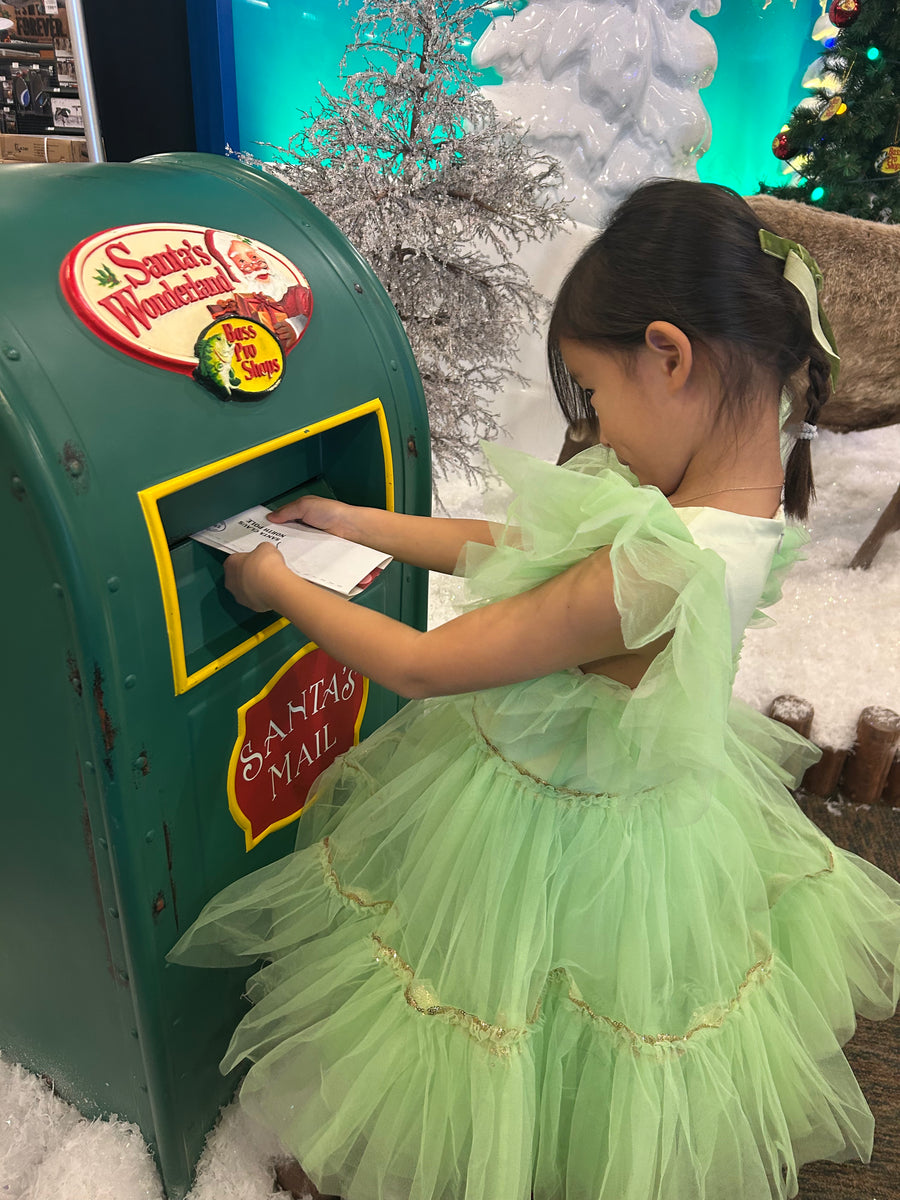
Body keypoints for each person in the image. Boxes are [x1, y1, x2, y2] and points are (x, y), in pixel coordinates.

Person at [169, 180, 899, 1200]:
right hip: (640, 811)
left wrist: (274, 583)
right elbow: (523, 546)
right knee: (558, 1032)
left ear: (670, 354)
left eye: (594, 393)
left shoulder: (660, 561)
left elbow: (423, 666)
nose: (592, 424)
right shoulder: (734, 479)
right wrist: (360, 523)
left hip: (552, 834)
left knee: (493, 1019)